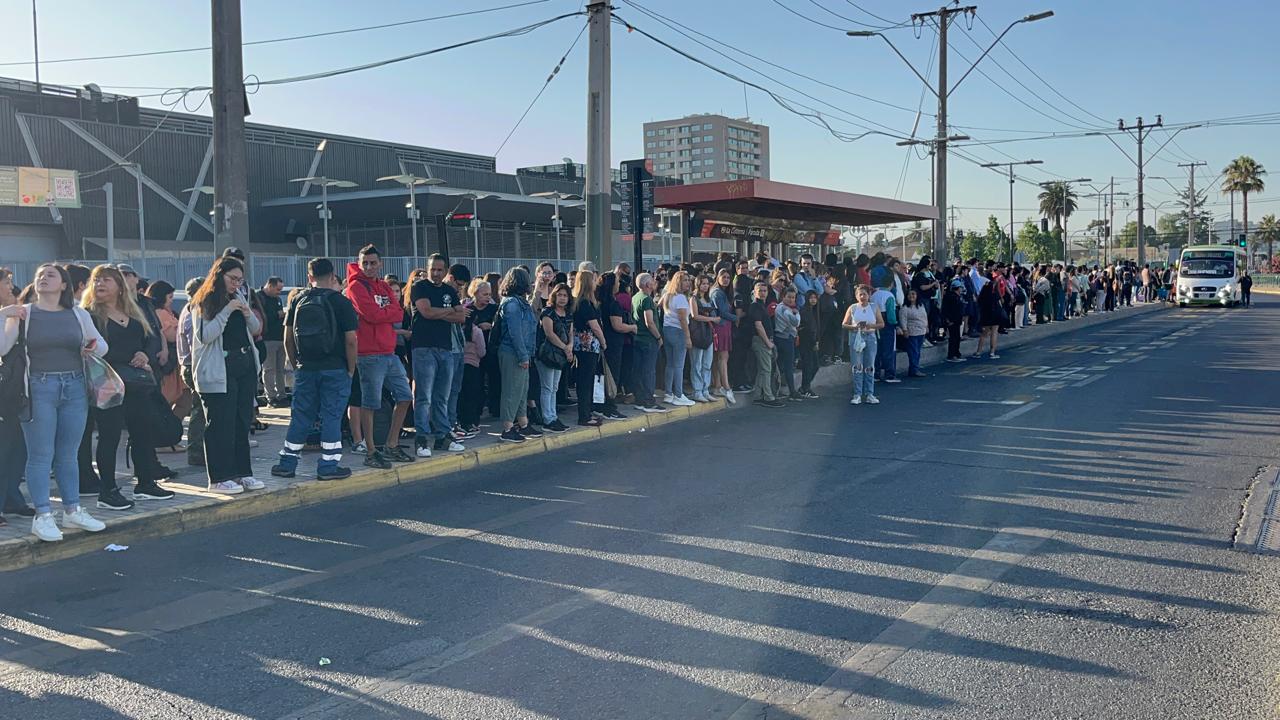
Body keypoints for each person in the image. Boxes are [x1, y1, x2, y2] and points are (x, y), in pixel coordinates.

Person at [0, 264, 109, 540]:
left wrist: (91, 347)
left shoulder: (78, 313)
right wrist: (2, 315)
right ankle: (43, 515)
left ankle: (72, 510)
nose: (43, 278)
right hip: (38, 387)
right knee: (40, 454)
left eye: (50, 275)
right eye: (40, 275)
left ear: (63, 285)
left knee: (68, 453)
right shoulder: (24, 313)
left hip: (74, 386)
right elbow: (2, 347)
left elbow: (101, 345)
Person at [77, 263, 176, 510]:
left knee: (142, 432)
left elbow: (150, 338)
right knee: (109, 436)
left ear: (120, 286)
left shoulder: (133, 312)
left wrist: (144, 354)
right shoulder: (89, 314)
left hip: (136, 382)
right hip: (107, 383)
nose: (100, 284)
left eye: (106, 279)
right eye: (96, 280)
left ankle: (145, 483)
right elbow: (92, 349)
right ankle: (108, 490)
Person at [270, 258, 358, 480]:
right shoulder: (341, 302)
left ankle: (287, 463)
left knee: (300, 416)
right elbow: (351, 340)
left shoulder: (298, 300)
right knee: (331, 416)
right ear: (332, 276)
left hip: (305, 368)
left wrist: (296, 365)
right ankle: (328, 465)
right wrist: (350, 369)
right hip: (335, 368)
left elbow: (288, 338)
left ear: (309, 277)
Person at [190, 256, 264, 495]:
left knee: (241, 423)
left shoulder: (239, 296)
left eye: (240, 280)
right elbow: (205, 335)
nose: (236, 284)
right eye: (232, 279)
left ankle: (243, 472)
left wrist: (246, 312)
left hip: (244, 364)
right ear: (219, 275)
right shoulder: (204, 302)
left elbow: (256, 329)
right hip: (219, 368)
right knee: (220, 424)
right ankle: (219, 477)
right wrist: (226, 311)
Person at [346, 244, 414, 468]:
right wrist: (387, 313)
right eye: (365, 263)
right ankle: (371, 450)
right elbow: (372, 315)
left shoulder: (384, 286)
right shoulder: (356, 287)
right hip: (369, 355)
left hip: (389, 352)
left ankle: (391, 445)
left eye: (373, 263)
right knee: (370, 403)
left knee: (405, 397)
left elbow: (399, 312)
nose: (369, 267)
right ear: (359, 263)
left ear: (380, 264)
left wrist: (384, 313)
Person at [409, 254, 469, 458]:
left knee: (442, 396)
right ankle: (422, 438)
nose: (435, 273)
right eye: (432, 269)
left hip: (446, 348)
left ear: (445, 271)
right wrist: (448, 311)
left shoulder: (449, 291)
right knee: (423, 395)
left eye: (439, 270)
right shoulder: (419, 287)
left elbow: (461, 317)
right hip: (423, 347)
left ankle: (442, 436)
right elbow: (426, 312)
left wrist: (442, 312)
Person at [0, 268, 34, 522]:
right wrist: (4, 315)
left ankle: (12, 498)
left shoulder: (13, 312)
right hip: (5, 389)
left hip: (15, 390)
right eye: (6, 282)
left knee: (17, 448)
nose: (12, 287)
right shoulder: (7, 314)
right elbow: (2, 347)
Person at [493, 267, 539, 443]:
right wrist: (523, 356)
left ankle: (523, 423)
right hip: (513, 352)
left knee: (522, 390)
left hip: (521, 351)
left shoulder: (520, 303)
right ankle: (507, 427)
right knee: (512, 391)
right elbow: (515, 333)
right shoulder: (512, 304)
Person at [534, 282, 573, 434]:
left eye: (565, 295)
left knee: (554, 388)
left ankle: (553, 416)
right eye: (559, 295)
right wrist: (565, 347)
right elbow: (549, 334)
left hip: (560, 356)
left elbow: (570, 332)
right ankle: (547, 419)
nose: (562, 298)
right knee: (547, 387)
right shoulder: (548, 312)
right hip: (547, 355)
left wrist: (569, 346)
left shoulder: (568, 314)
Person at [459, 278, 495, 434]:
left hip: (489, 349)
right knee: (472, 387)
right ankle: (471, 418)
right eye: (484, 294)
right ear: (475, 293)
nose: (488, 297)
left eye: (489, 294)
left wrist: (491, 326)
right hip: (473, 354)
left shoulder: (494, 309)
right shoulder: (467, 309)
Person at [571, 270, 607, 427]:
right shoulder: (585, 303)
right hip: (588, 346)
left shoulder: (579, 302)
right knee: (586, 381)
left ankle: (587, 412)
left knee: (585, 380)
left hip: (581, 345)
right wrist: (603, 342)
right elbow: (595, 326)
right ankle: (584, 416)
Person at [629, 272, 666, 414]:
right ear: (647, 284)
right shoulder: (647, 299)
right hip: (648, 339)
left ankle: (639, 399)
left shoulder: (635, 297)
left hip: (637, 338)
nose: (654, 283)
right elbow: (649, 322)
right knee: (649, 371)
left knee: (638, 370)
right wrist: (658, 337)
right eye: (652, 281)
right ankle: (649, 401)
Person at [595, 271, 631, 419]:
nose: (619, 284)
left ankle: (599, 405)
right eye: (616, 282)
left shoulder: (599, 301)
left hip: (602, 342)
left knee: (601, 376)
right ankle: (610, 407)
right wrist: (632, 327)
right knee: (612, 376)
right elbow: (618, 326)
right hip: (613, 344)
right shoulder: (613, 304)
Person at [659, 271, 695, 407]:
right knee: (679, 365)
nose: (688, 283)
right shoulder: (680, 298)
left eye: (688, 280)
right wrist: (688, 337)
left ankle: (668, 393)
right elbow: (682, 319)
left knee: (670, 364)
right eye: (685, 280)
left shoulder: (667, 295)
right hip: (678, 331)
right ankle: (679, 394)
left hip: (667, 329)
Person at [843, 284, 883, 405]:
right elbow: (844, 324)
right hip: (856, 337)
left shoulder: (874, 307)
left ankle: (870, 394)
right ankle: (857, 394)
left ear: (869, 295)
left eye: (864, 294)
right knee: (857, 366)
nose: (862, 297)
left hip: (870, 336)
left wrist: (871, 326)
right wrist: (854, 327)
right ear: (856, 296)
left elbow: (881, 324)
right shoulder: (852, 308)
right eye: (860, 294)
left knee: (869, 365)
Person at [746, 281, 784, 408]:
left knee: (762, 369)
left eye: (764, 291)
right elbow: (758, 325)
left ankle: (758, 396)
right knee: (767, 369)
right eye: (760, 291)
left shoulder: (762, 305)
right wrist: (767, 342)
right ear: (755, 292)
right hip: (760, 340)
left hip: (765, 340)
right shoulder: (755, 306)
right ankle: (768, 397)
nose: (762, 293)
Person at [257, 276, 289, 406]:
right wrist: (277, 315)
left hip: (280, 337)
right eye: (277, 289)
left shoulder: (277, 299)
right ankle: (271, 396)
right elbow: (261, 317)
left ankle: (282, 394)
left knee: (280, 369)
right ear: (270, 286)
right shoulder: (259, 298)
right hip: (268, 338)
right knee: (269, 369)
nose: (279, 292)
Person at [708, 268, 736, 404]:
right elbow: (723, 312)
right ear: (717, 278)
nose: (726, 280)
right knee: (723, 357)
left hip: (724, 326)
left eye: (728, 277)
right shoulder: (717, 293)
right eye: (723, 277)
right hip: (721, 326)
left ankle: (717, 386)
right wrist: (737, 318)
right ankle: (726, 387)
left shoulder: (721, 292)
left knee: (718, 357)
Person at [688, 274, 717, 403]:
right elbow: (695, 316)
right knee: (697, 363)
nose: (705, 286)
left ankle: (706, 390)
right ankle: (697, 391)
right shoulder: (693, 298)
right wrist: (711, 319)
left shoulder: (708, 299)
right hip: (698, 332)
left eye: (707, 284)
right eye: (703, 283)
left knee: (707, 363)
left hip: (708, 332)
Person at [773, 287, 801, 401]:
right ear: (783, 296)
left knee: (780, 366)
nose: (791, 299)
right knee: (788, 366)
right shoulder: (785, 309)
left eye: (793, 297)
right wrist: (797, 314)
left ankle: (776, 390)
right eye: (789, 297)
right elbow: (796, 322)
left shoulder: (781, 307)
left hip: (781, 338)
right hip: (785, 338)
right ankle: (792, 391)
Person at [870, 277, 899, 384]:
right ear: (891, 284)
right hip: (886, 323)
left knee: (876, 350)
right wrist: (896, 324)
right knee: (888, 349)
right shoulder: (889, 296)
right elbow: (891, 315)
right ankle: (889, 374)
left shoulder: (874, 295)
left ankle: (875, 374)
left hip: (875, 322)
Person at [973, 271, 1003, 360]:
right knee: (994, 332)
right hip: (995, 312)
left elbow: (979, 300)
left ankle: (978, 351)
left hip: (986, 313)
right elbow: (999, 300)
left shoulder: (985, 288)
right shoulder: (995, 289)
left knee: (984, 333)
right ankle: (992, 352)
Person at [796, 290, 821, 398]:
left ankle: (804, 387)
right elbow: (808, 328)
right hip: (806, 342)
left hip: (812, 341)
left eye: (815, 298)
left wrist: (817, 341)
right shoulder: (804, 310)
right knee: (808, 366)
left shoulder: (815, 310)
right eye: (811, 298)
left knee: (815, 366)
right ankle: (805, 388)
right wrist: (814, 342)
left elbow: (816, 328)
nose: (813, 300)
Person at [899, 289, 929, 378]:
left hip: (921, 332)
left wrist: (926, 327)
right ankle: (914, 370)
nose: (911, 296)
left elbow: (925, 317)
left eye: (913, 294)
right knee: (913, 352)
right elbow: (903, 320)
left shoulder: (921, 306)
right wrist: (905, 330)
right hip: (912, 333)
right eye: (909, 294)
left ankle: (914, 369)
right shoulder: (904, 308)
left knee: (918, 352)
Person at [942, 279, 966, 363]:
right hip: (952, 321)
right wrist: (949, 320)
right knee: (953, 338)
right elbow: (948, 310)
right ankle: (952, 355)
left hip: (957, 321)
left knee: (957, 338)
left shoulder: (957, 297)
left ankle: (956, 353)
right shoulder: (951, 297)